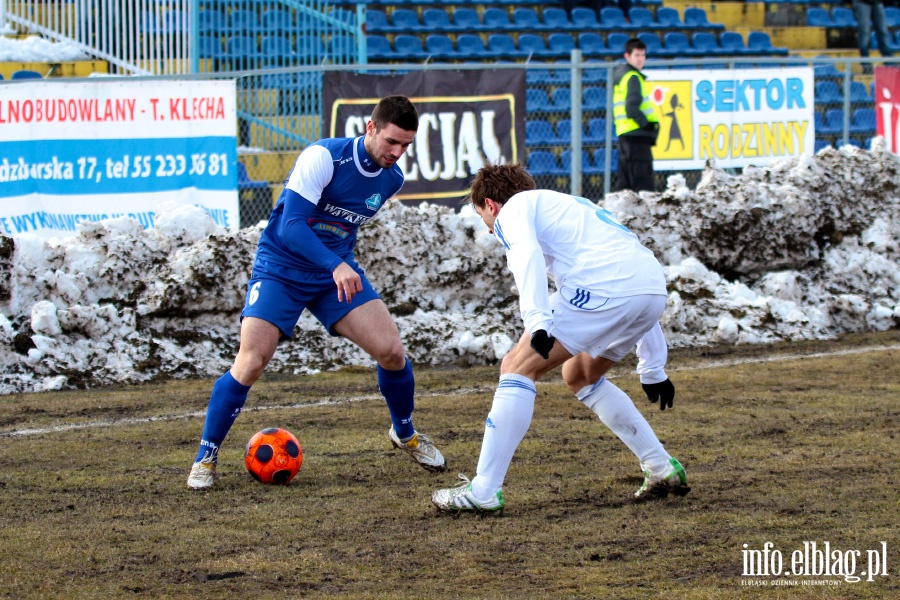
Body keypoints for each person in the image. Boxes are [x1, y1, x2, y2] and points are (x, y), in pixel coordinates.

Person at [187, 95, 447, 489]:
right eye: (392, 142)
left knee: (392, 352)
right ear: (371, 128)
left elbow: (340, 227)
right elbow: (291, 224)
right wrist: (335, 264)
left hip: (333, 274)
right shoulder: (324, 158)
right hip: (281, 267)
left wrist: (337, 264)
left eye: (406, 146)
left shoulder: (391, 180)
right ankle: (205, 457)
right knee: (253, 359)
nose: (398, 153)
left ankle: (405, 433)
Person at [431, 163, 688, 513]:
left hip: (606, 289)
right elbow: (633, 279)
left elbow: (526, 255)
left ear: (491, 205)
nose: (491, 231)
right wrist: (653, 367)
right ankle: (660, 466)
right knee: (579, 375)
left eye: (484, 219)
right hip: (652, 290)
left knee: (516, 367)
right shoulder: (573, 206)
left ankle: (483, 490)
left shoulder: (514, 209)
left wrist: (538, 320)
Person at [612, 38, 659, 193]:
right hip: (637, 137)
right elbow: (631, 108)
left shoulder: (622, 76)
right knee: (643, 186)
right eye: (637, 55)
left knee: (625, 187)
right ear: (627, 56)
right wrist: (647, 125)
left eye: (643, 55)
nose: (640, 59)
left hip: (625, 135)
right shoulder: (633, 77)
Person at [853, 0, 895, 72]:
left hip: (877, 2)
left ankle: (889, 63)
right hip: (862, 2)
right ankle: (866, 66)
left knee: (883, 32)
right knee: (864, 34)